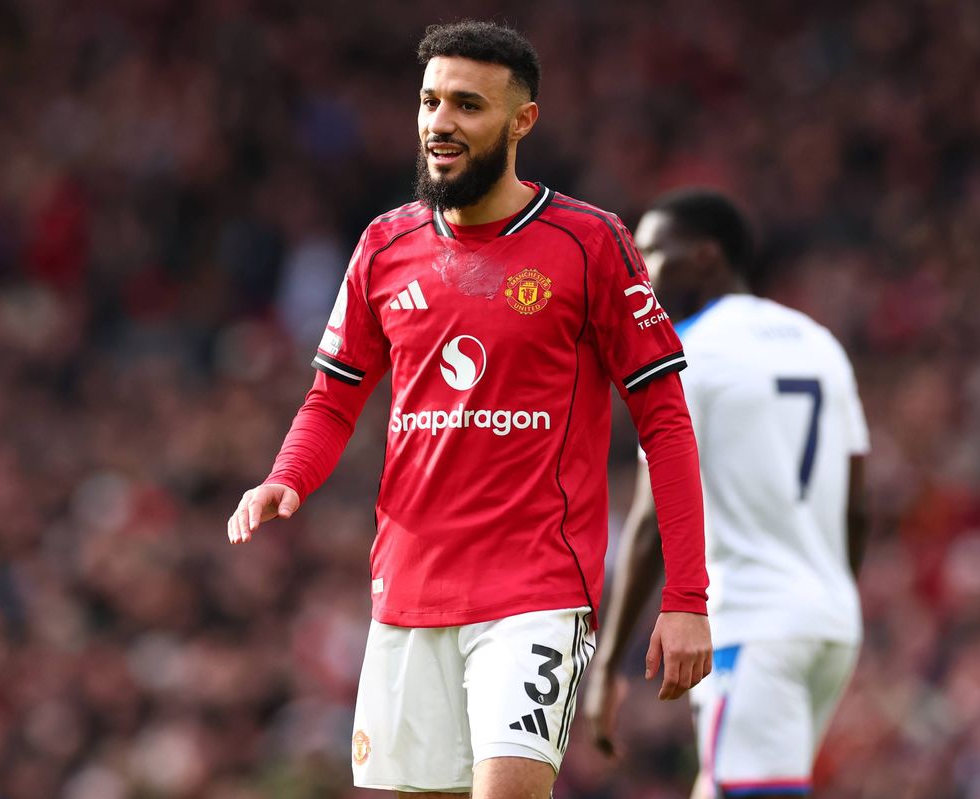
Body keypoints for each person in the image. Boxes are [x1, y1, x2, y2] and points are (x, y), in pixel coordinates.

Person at [228, 22, 711, 798]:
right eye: (428, 102)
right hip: (407, 591)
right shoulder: (385, 246)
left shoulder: (589, 243)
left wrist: (686, 598)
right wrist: (287, 476)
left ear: (522, 122)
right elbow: (333, 397)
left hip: (536, 591)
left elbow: (665, 419)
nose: (439, 123)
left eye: (466, 105)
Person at [584, 189, 871, 799]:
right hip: (829, 624)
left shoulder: (686, 353)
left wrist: (607, 665)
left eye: (655, 254)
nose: (643, 274)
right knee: (721, 783)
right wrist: (826, 592)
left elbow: (652, 520)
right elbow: (858, 507)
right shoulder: (819, 344)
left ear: (707, 256)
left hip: (755, 622)